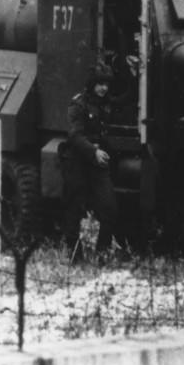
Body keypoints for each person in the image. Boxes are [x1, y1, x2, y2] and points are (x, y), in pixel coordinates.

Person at [62, 62, 119, 262]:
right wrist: (93, 151)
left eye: (106, 84)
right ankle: (74, 256)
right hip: (78, 161)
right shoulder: (78, 104)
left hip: (97, 163)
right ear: (91, 84)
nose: (104, 88)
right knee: (74, 209)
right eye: (99, 84)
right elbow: (75, 136)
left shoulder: (106, 103)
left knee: (109, 207)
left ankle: (101, 253)